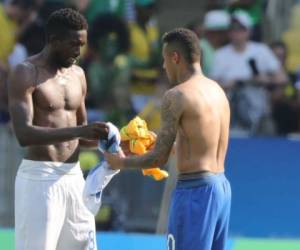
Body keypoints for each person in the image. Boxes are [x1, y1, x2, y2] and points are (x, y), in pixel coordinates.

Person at [105, 28, 231, 250]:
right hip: (220, 188)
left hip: (194, 192)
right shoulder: (217, 90)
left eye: (164, 60)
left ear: (175, 58)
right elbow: (202, 142)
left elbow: (157, 159)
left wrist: (120, 163)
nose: (163, 67)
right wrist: (170, 144)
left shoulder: (176, 95)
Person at [8, 8, 108, 250]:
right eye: (74, 44)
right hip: (39, 179)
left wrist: (113, 140)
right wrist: (79, 132)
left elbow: (87, 138)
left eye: (82, 44)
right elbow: (24, 135)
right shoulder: (26, 72)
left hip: (74, 178)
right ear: (53, 40)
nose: (79, 51)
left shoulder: (79, 74)